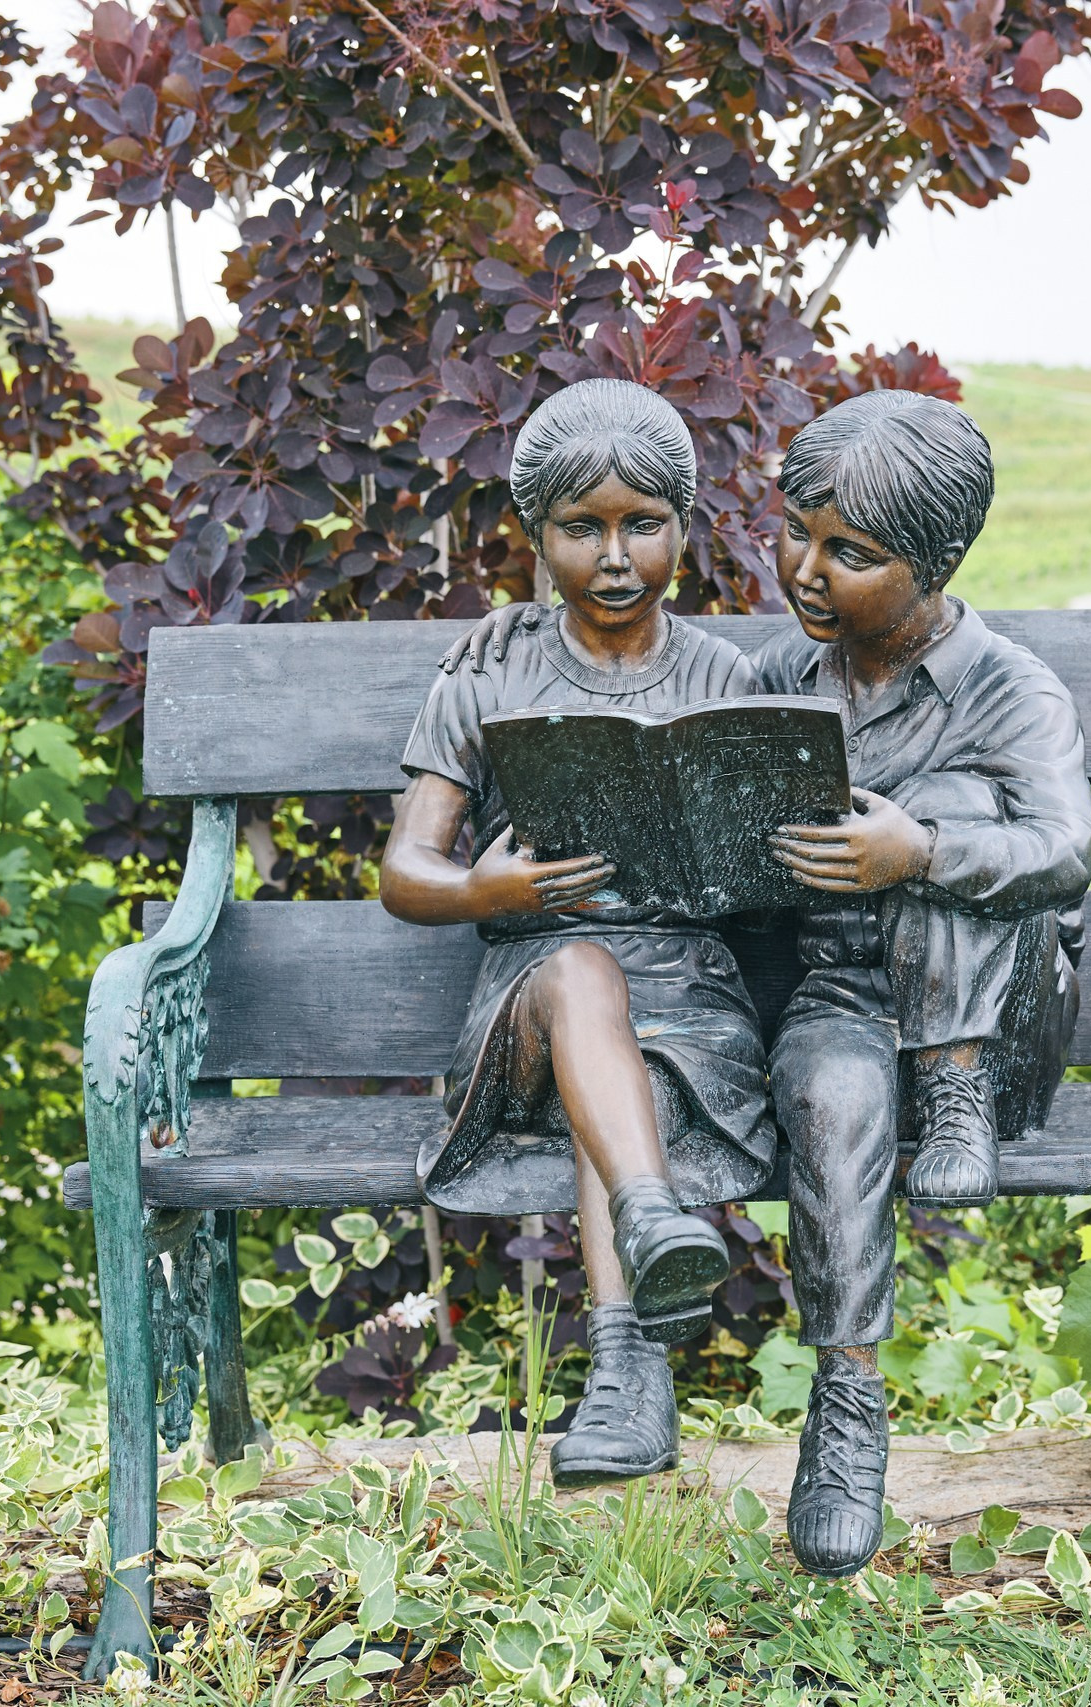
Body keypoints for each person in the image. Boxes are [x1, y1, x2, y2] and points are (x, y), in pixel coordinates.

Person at [377, 378, 774, 1488]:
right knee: (583, 970)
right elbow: (407, 870)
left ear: (682, 529)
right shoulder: (490, 672)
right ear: (534, 535)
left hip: (688, 1010)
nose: (613, 557)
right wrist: (484, 891)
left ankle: (624, 1379)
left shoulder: (721, 677)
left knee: (636, 1069)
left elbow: (772, 867)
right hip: (532, 995)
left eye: (641, 526)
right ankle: (646, 1261)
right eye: (580, 529)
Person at [751, 388, 1091, 1575]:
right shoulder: (777, 678)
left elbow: (1064, 850)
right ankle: (845, 1412)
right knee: (838, 1097)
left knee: (938, 809)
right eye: (793, 529)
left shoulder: (1009, 688)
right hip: (840, 1000)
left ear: (935, 561)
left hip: (997, 1025)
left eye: (847, 553)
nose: (804, 568)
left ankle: (953, 1090)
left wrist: (923, 854)